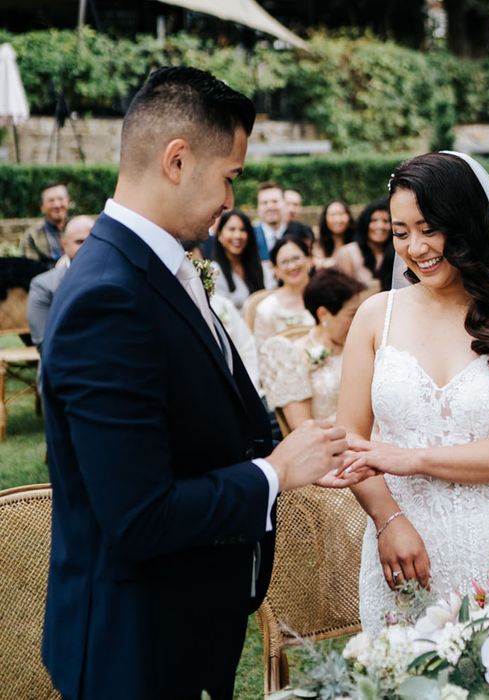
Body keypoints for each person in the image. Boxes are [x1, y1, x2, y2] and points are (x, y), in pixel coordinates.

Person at [40, 66, 369, 700]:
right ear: (176, 160)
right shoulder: (107, 297)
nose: (230, 201)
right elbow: (138, 517)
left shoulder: (159, 266)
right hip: (136, 646)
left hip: (189, 623)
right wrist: (275, 473)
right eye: (230, 178)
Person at [335, 151, 489, 634]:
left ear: (466, 222)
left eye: (429, 228)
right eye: (400, 232)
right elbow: (350, 439)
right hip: (397, 550)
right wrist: (389, 520)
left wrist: (413, 459)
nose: (414, 247)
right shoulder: (375, 315)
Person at [260, 269, 365, 430]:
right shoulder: (292, 356)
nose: (359, 320)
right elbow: (303, 429)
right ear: (323, 314)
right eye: (352, 314)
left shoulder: (360, 345)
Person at [27, 215, 94, 351]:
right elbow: (43, 342)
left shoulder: (118, 278)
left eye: (92, 241)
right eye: (80, 242)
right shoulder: (43, 285)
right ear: (64, 244)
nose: (88, 248)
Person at [253, 235, 316, 344]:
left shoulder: (328, 296)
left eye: (296, 258)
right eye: (284, 262)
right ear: (276, 269)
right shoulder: (267, 308)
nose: (292, 266)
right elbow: (262, 351)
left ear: (309, 259)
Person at [335, 199, 395, 289]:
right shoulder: (348, 253)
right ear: (365, 223)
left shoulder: (398, 253)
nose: (380, 226)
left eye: (386, 221)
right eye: (374, 221)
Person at [210, 208, 264, 309]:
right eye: (232, 229)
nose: (238, 235)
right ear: (220, 235)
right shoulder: (214, 271)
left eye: (242, 230)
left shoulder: (257, 266)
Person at [21, 181, 71, 268]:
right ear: (42, 207)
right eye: (51, 201)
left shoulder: (80, 230)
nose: (57, 205)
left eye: (61, 199)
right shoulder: (32, 235)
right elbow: (30, 268)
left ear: (68, 202)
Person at [316, 199, 355, 266]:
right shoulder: (318, 242)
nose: (338, 220)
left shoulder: (358, 240)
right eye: (333, 215)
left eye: (341, 214)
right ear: (325, 218)